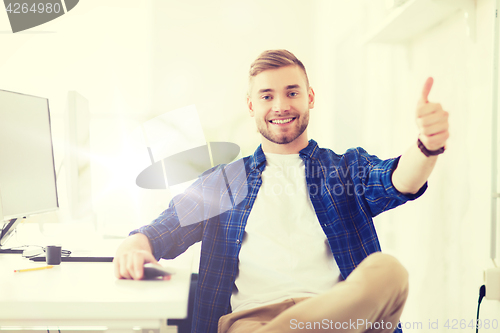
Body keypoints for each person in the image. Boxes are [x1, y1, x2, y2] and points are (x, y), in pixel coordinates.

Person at [114, 49, 449, 333]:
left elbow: (397, 180)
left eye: (292, 93)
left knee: (389, 271)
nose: (280, 106)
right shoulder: (224, 181)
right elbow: (166, 228)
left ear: (310, 97)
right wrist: (135, 243)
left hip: (337, 319)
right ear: (251, 105)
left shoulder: (345, 168)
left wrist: (426, 146)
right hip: (253, 321)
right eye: (266, 96)